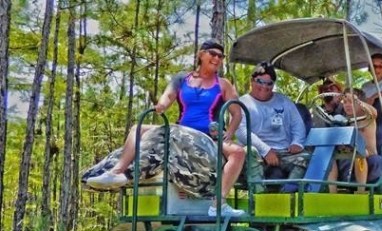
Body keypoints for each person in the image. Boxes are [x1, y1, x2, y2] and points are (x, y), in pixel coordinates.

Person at [86, 39, 246, 217]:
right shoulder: (181, 79)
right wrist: (160, 106)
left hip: (207, 135)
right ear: (201, 54)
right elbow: (166, 98)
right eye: (213, 54)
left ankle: (219, 204)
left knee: (238, 152)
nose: (217, 58)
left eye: (220, 56)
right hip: (180, 132)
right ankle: (117, 172)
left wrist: (229, 133)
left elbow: (237, 113)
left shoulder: (223, 84)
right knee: (137, 128)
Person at [236, 62, 308, 193]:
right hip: (257, 153)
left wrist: (297, 142)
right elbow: (241, 131)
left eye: (269, 83)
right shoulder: (242, 103)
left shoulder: (284, 101)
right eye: (260, 81)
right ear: (252, 81)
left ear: (273, 85)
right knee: (248, 152)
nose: (264, 86)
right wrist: (266, 151)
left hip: (284, 152)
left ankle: (286, 197)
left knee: (305, 159)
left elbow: (297, 124)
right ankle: (259, 199)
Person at [327, 88, 382, 193]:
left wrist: (357, 100)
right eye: (345, 102)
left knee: (358, 151)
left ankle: (361, 191)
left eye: (351, 102)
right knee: (328, 153)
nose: (347, 105)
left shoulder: (367, 117)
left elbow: (374, 112)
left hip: (368, 152)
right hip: (347, 152)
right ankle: (333, 192)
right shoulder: (342, 120)